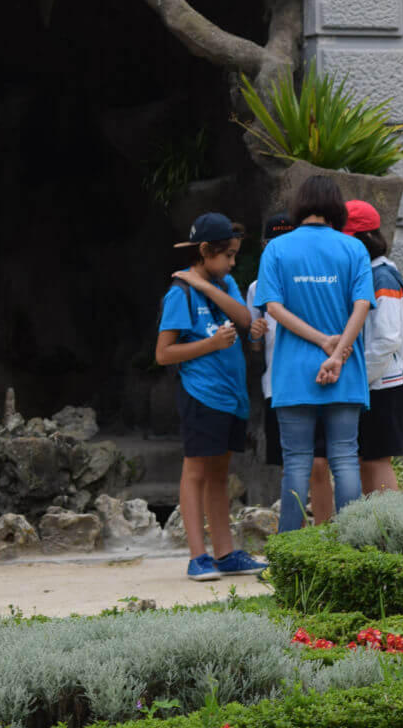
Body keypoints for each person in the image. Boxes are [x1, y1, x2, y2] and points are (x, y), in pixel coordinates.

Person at [253, 175, 374, 533]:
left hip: (293, 371)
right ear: (336, 207)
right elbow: (362, 306)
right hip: (344, 369)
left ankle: (290, 551)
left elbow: (273, 308)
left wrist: (322, 341)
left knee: (296, 463)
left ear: (300, 205)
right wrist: (338, 353)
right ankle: (353, 548)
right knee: (345, 459)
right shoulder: (354, 249)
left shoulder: (277, 249)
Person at [155, 213, 267, 581]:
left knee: (220, 474)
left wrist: (205, 285)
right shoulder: (179, 293)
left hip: (232, 397)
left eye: (235, 255)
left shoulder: (223, 283)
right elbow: (163, 354)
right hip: (201, 395)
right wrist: (211, 344)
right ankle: (197, 557)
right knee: (196, 471)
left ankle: (225, 553)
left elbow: (245, 318)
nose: (232, 263)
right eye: (228, 255)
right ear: (205, 251)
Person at [245, 214, 336, 522]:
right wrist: (255, 335)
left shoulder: (315, 280)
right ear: (264, 246)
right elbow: (256, 347)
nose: (279, 248)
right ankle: (294, 540)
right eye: (273, 242)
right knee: (291, 467)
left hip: (317, 381)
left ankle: (326, 537)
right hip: (278, 385)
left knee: (319, 465)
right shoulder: (257, 287)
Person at [341, 200, 403, 494]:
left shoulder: (382, 277)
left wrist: (358, 378)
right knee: (365, 460)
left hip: (382, 383)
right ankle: (373, 520)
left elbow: (387, 339)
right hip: (373, 380)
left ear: (364, 238)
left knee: (376, 460)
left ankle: (391, 522)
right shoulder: (371, 273)